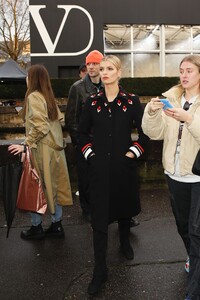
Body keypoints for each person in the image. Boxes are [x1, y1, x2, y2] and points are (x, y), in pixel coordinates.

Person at [78, 55, 149, 295]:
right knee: (99, 220)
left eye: (110, 68)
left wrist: (132, 153)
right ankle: (100, 271)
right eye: (102, 68)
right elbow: (82, 134)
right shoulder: (92, 101)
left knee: (124, 209)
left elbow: (145, 133)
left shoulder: (131, 101)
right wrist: (90, 156)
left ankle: (125, 241)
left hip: (123, 169)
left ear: (119, 73)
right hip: (98, 171)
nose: (104, 71)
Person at [141, 54, 200, 300]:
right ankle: (193, 259)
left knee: (197, 231)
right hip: (174, 174)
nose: (184, 75)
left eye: (189, 70)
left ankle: (193, 290)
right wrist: (152, 112)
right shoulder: (171, 99)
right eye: (181, 70)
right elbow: (152, 133)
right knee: (183, 227)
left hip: (197, 177)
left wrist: (189, 119)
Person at [8, 64, 73, 240]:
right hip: (53, 151)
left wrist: (25, 145)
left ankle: (37, 227)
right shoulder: (48, 96)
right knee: (53, 188)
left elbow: (40, 127)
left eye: (28, 76)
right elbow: (55, 124)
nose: (26, 79)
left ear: (33, 78)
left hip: (42, 150)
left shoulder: (34, 97)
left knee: (34, 187)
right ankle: (56, 225)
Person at [65, 50, 104, 222]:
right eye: (89, 64)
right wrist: (80, 144)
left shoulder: (107, 85)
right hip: (85, 142)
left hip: (104, 142)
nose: (92, 67)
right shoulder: (77, 88)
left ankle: (106, 208)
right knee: (85, 178)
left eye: (95, 63)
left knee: (104, 177)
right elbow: (71, 119)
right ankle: (86, 208)